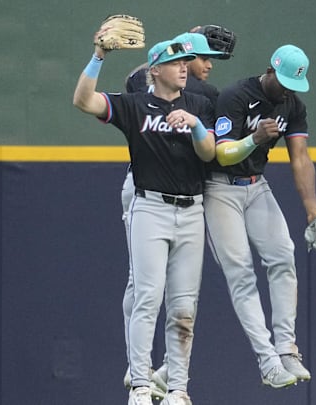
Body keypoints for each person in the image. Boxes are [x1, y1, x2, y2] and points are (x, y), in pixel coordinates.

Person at [73, 26, 217, 405]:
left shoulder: (198, 105)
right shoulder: (135, 105)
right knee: (148, 298)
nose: (183, 68)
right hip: (150, 208)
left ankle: (178, 389)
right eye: (174, 62)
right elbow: (83, 101)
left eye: (185, 61)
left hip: (191, 211)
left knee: (184, 307)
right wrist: (99, 56)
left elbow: (208, 153)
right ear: (154, 70)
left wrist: (196, 124)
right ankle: (139, 384)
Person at [117, 28, 236, 399]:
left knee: (179, 300)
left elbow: (212, 149)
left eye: (201, 60)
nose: (204, 67)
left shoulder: (207, 98)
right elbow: (140, 78)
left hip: (187, 196)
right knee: (144, 289)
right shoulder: (153, 83)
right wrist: (184, 41)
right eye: (200, 58)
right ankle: (140, 373)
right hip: (146, 189)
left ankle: (168, 378)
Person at [204, 44, 316, 388]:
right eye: (285, 80)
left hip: (255, 185)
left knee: (283, 256)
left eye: (295, 83)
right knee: (241, 273)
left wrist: (313, 213)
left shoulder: (293, 105)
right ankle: (267, 360)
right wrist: (254, 138)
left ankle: (286, 347)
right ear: (271, 70)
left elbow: (301, 158)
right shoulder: (236, 96)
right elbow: (221, 153)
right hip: (220, 187)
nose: (288, 89)